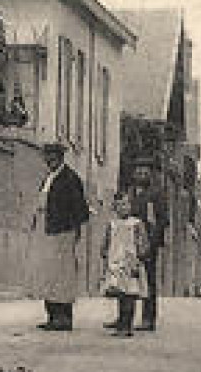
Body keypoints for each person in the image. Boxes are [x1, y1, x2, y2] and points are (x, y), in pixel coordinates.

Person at [30, 140, 90, 331]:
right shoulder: (48, 177)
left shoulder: (70, 178)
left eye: (53, 156)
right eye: (47, 156)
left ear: (61, 157)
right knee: (48, 274)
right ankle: (52, 314)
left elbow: (80, 209)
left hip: (62, 232)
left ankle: (64, 317)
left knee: (63, 275)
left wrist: (71, 230)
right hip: (46, 230)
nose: (50, 159)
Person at [100, 191, 150, 338]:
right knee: (120, 293)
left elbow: (142, 241)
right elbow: (107, 241)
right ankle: (121, 322)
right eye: (120, 205)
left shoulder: (136, 223)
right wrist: (104, 252)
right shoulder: (112, 224)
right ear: (115, 208)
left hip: (130, 262)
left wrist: (141, 255)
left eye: (126, 204)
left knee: (130, 293)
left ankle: (127, 325)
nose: (124, 208)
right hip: (115, 262)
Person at [127, 163, 168, 331]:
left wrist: (152, 243)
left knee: (147, 281)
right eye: (138, 172)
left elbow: (162, 220)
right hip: (129, 243)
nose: (141, 175)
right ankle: (124, 316)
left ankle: (148, 319)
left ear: (150, 175)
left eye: (145, 173)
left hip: (148, 242)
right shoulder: (130, 192)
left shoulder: (156, 194)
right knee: (126, 279)